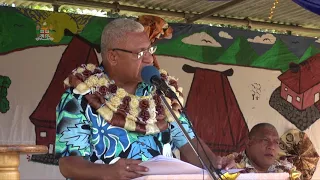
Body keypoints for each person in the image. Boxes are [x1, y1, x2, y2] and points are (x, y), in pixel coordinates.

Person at [55, 18, 234, 180]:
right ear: (113, 56)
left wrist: (216, 164)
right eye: (140, 53)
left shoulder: (161, 92)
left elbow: (190, 143)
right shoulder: (81, 96)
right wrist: (108, 172)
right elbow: (69, 165)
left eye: (150, 49)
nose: (149, 58)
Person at [226, 123, 301, 179]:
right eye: (265, 140)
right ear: (249, 143)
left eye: (276, 142)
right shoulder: (231, 167)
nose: (271, 147)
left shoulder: (288, 172)